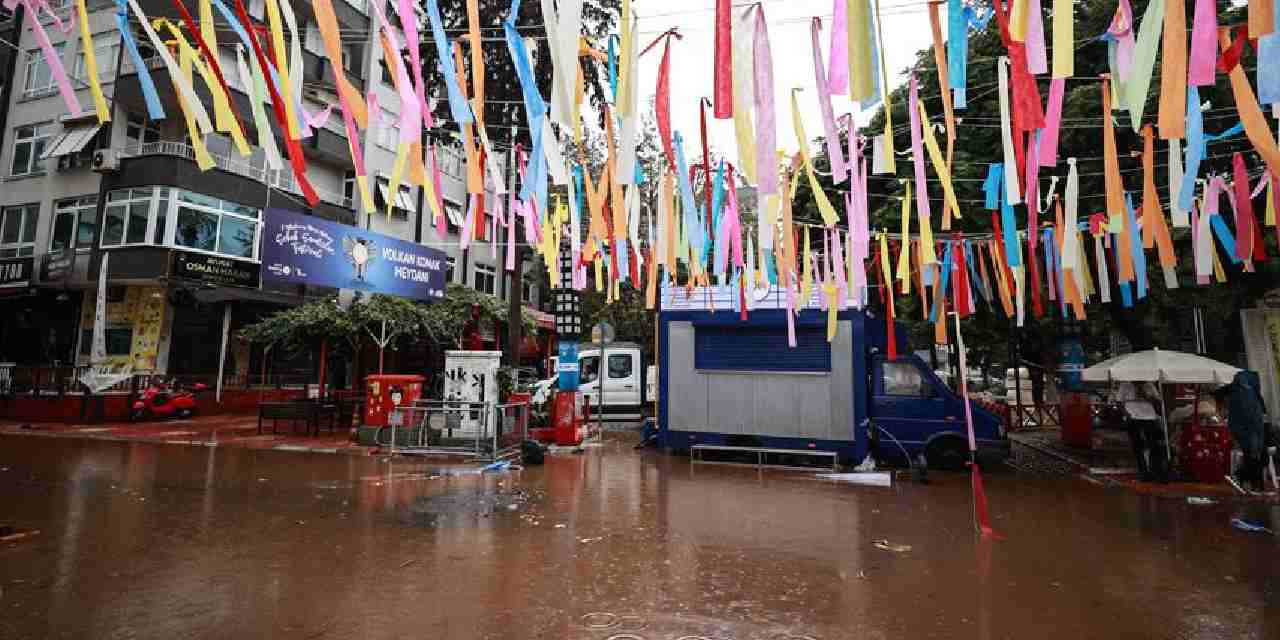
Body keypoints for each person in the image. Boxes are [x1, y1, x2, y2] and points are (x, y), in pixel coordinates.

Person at [1216, 370, 1268, 492]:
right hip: (1251, 428)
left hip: (1243, 428)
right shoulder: (1250, 391)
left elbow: (1219, 393)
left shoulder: (1236, 388)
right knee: (1256, 456)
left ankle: (1250, 482)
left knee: (1253, 456)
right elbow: (1258, 412)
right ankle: (1248, 481)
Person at [1119, 381, 1168, 482]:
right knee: (1137, 446)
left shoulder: (1149, 385)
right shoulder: (1125, 385)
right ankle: (1143, 471)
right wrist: (1126, 414)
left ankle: (1155, 470)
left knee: (1153, 445)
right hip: (1133, 417)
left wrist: (1147, 396)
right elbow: (1119, 401)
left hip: (1149, 417)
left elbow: (1158, 401)